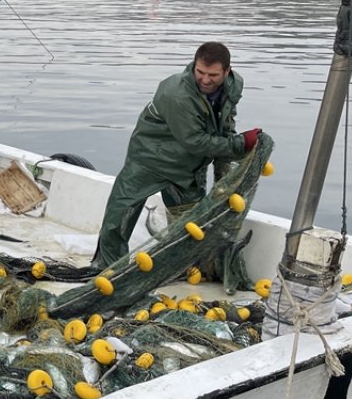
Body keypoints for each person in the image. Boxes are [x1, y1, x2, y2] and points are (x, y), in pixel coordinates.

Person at [91, 42, 261, 267]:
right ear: (193, 66)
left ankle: (185, 264)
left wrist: (231, 137)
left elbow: (226, 116)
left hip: (189, 166)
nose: (205, 80)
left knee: (189, 218)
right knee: (121, 211)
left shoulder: (233, 85)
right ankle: (107, 267)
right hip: (150, 158)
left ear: (227, 72)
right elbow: (196, 141)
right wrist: (239, 144)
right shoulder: (177, 94)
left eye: (213, 74)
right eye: (200, 72)